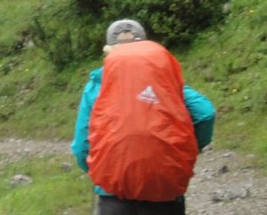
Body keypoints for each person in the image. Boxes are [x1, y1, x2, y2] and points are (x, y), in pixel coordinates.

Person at [71, 19, 216, 214]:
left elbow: (82, 147)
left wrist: (104, 169)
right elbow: (205, 114)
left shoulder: (97, 86)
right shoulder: (164, 82)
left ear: (109, 51)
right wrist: (182, 150)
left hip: (112, 195)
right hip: (163, 190)